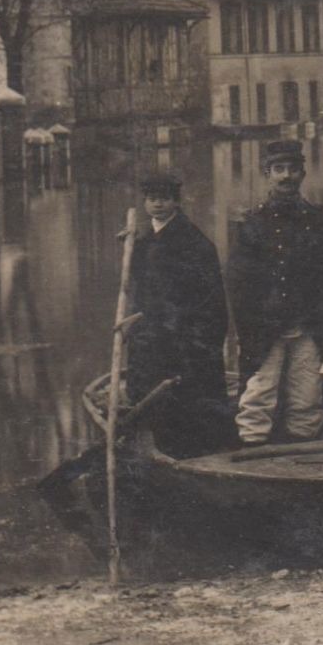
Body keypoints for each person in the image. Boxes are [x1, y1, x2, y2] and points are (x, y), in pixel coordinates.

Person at [228, 140, 323, 446]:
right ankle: (252, 452)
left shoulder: (318, 220)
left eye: (292, 169)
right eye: (278, 169)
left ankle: (300, 454)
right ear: (267, 173)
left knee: (307, 394)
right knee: (259, 391)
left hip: (309, 322)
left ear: (303, 174)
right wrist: (249, 326)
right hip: (265, 325)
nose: (286, 176)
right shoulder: (250, 223)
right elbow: (238, 283)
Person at [124, 172, 236, 457]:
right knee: (155, 392)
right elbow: (140, 285)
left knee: (191, 394)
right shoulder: (147, 238)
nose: (158, 205)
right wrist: (131, 248)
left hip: (186, 333)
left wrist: (198, 336)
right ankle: (161, 446)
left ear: (176, 201)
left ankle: (197, 453)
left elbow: (209, 298)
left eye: (164, 199)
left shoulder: (194, 242)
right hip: (154, 330)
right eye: (152, 199)